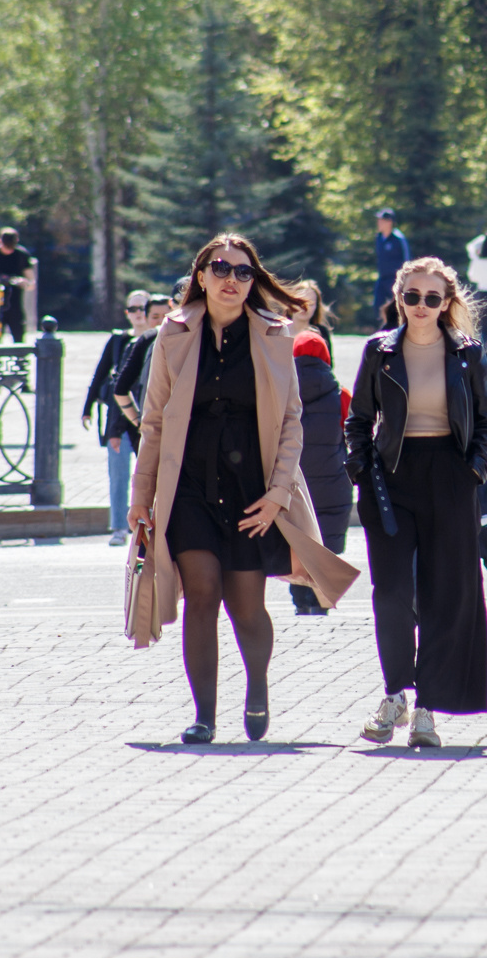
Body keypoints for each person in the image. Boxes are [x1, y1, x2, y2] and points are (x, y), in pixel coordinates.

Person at [127, 237, 355, 745]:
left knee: (246, 603)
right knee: (202, 591)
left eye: (243, 272)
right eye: (220, 268)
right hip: (187, 482)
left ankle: (257, 688)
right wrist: (140, 496)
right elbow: (155, 421)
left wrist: (277, 495)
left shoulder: (275, 334)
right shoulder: (173, 333)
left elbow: (292, 421)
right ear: (201, 275)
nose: (232, 279)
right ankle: (204, 714)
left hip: (252, 486)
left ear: (254, 282)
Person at [345, 256, 487, 749]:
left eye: (433, 298)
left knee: (442, 595)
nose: (421, 306)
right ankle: (395, 694)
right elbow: (358, 420)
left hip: (451, 478)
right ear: (399, 297)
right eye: (412, 296)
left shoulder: (468, 354)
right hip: (391, 477)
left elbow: (486, 423)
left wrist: (474, 470)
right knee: (389, 592)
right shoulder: (380, 351)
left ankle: (427, 707)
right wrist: (361, 472)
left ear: (447, 302)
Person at [289, 328, 351, 616]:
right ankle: (321, 603)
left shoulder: (282, 394)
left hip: (294, 486)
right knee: (326, 546)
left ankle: (301, 601)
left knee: (298, 544)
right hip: (333, 486)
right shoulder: (342, 396)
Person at [84, 290, 154, 544]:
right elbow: (102, 376)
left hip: (148, 419)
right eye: (132, 309)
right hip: (119, 420)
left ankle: (148, 526)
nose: (137, 314)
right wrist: (87, 407)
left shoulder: (156, 341)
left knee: (149, 476)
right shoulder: (119, 342)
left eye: (142, 308)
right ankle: (119, 528)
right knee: (118, 474)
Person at [111, 294, 170, 438]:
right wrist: (139, 423)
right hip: (152, 427)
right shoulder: (146, 340)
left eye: (166, 316)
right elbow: (120, 388)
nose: (161, 321)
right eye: (155, 317)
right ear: (146, 318)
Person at [0, 227, 35, 343]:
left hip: (15, 304)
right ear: (0, 241)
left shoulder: (21, 255)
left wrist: (21, 282)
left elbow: (31, 283)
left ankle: (20, 360)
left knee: (19, 338)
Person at [371, 209, 410, 312]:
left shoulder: (398, 239)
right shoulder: (379, 238)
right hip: (382, 278)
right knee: (378, 306)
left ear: (389, 222)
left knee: (396, 308)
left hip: (395, 279)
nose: (378, 223)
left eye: (381, 221)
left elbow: (406, 259)